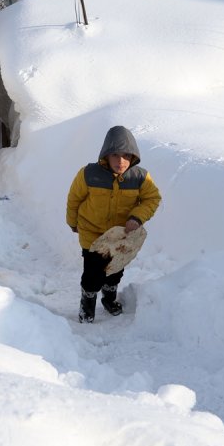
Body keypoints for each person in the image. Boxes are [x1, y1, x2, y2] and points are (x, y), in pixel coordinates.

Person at [66, 125, 162, 323]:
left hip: (121, 235)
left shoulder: (140, 177)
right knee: (93, 273)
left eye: (126, 156)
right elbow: (74, 199)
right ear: (106, 156)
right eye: (115, 155)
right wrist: (72, 222)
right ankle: (88, 303)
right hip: (92, 233)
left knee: (115, 270)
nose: (121, 161)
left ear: (133, 156)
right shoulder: (88, 174)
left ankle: (109, 298)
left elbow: (152, 199)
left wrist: (136, 218)